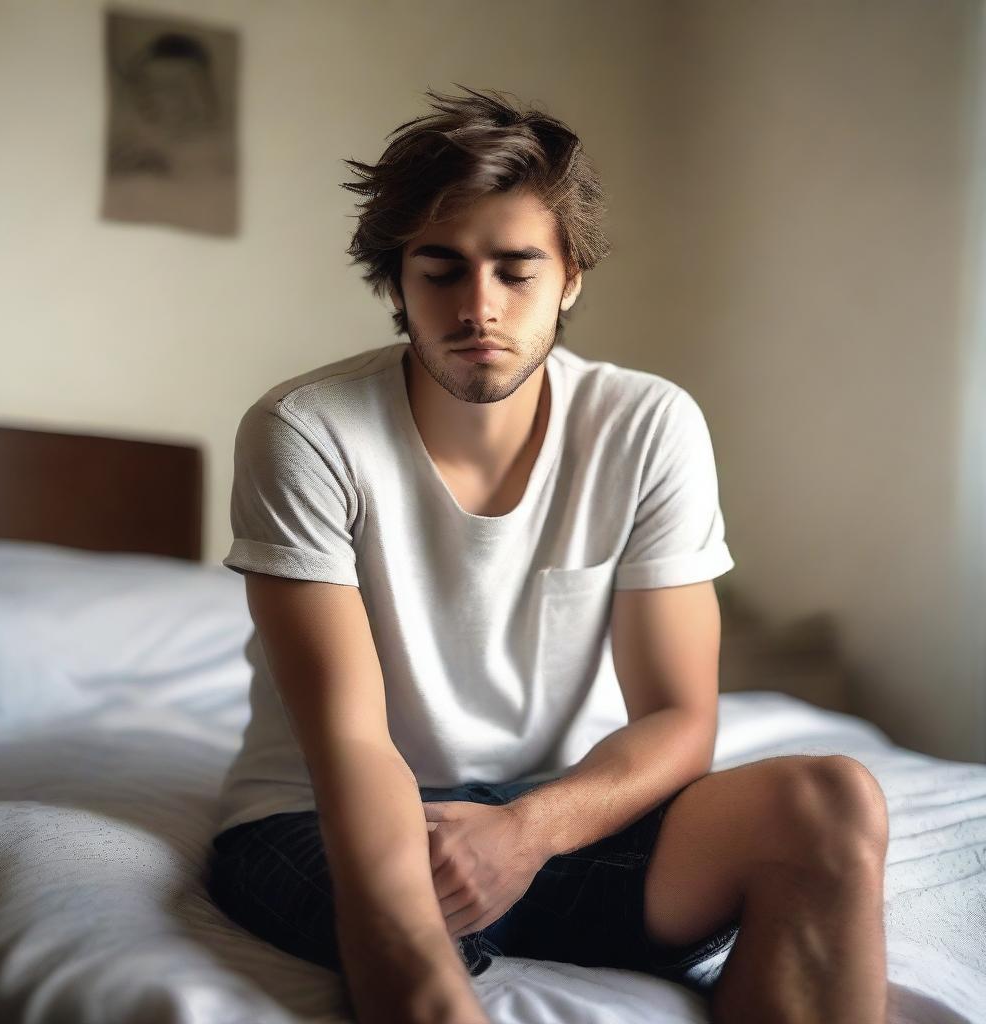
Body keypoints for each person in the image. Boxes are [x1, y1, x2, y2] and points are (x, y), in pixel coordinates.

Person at [206, 86, 890, 1024]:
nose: (476, 307)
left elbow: (682, 719)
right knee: (421, 980)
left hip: (559, 816)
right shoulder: (307, 430)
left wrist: (527, 832)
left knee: (831, 801)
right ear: (396, 281)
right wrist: (416, 942)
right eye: (440, 269)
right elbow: (352, 744)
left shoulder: (648, 426)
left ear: (569, 278)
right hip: (330, 815)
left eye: (515, 270)